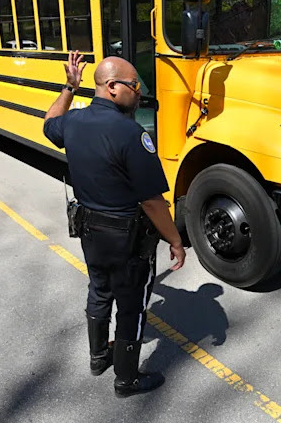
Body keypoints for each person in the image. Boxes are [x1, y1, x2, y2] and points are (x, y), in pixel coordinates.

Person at [43, 51, 186, 398]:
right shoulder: (131, 134)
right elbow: (152, 202)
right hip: (126, 236)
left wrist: (68, 88)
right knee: (132, 306)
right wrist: (175, 240)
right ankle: (126, 379)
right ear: (111, 87)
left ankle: (98, 357)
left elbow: (49, 124)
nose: (139, 93)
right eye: (134, 86)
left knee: (99, 289)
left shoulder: (73, 122)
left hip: (90, 231)